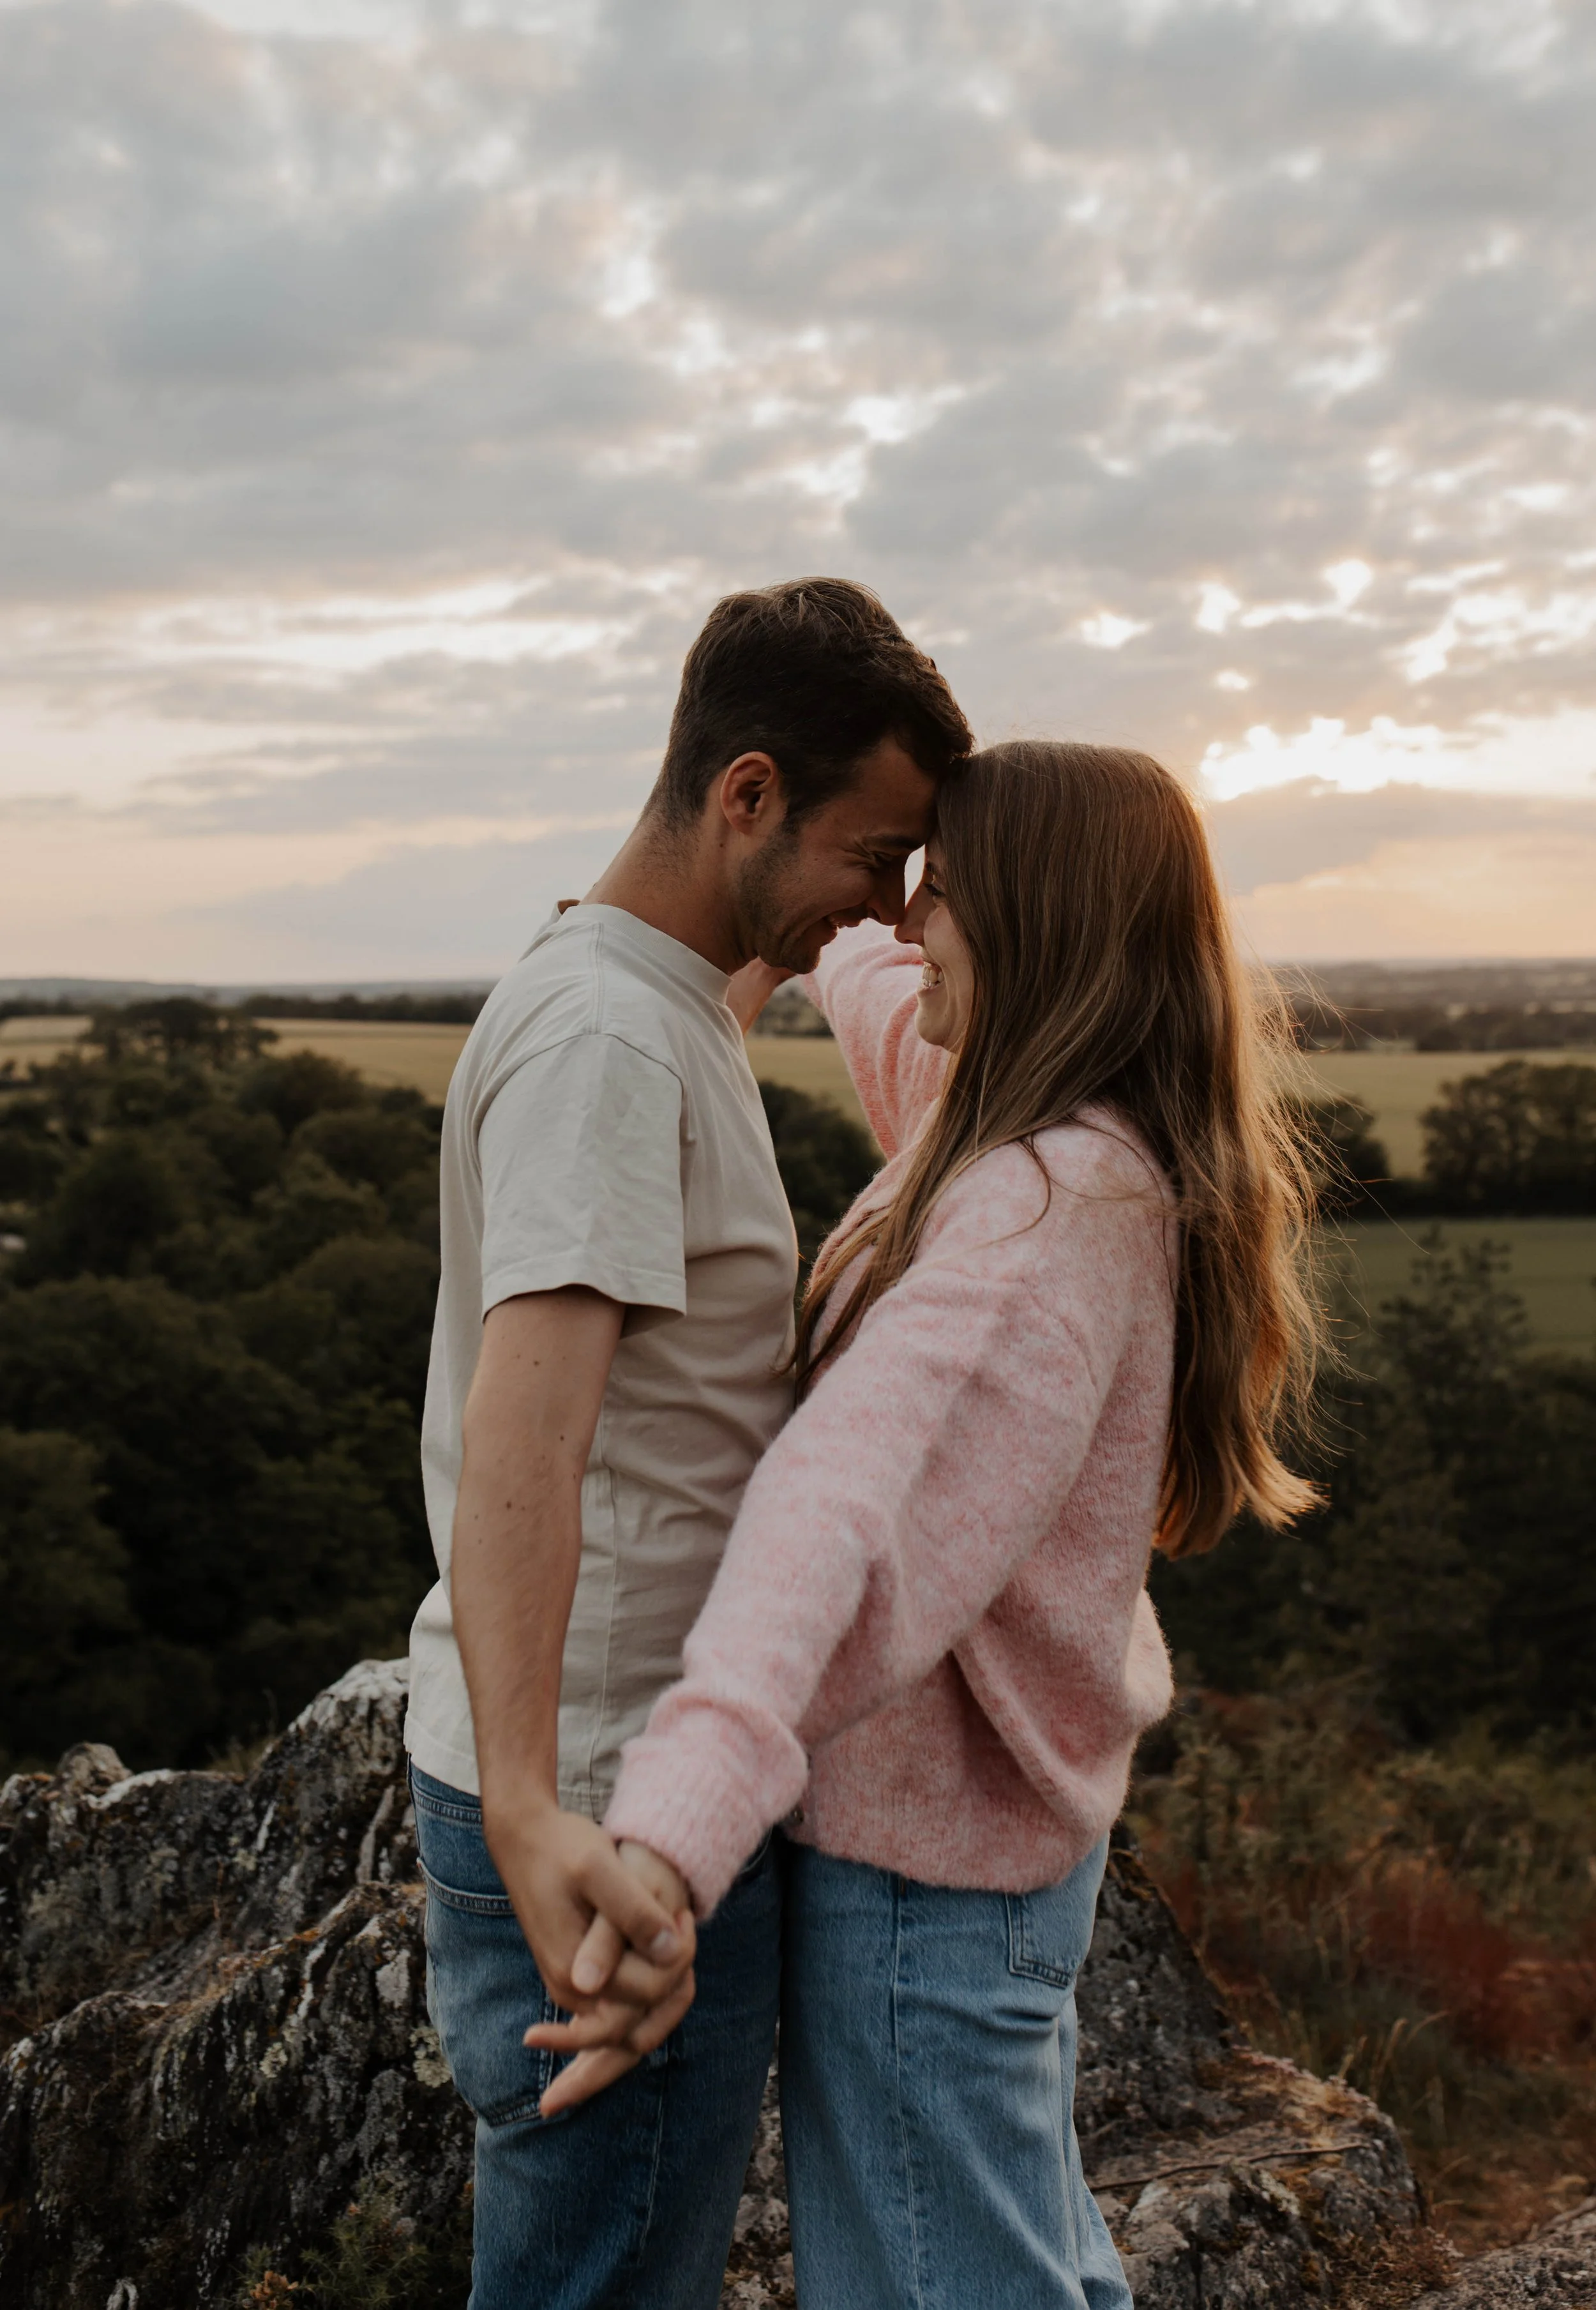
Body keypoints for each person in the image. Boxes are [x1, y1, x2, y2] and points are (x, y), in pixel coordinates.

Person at [543, 741, 1324, 2307]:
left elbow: (842, 1512)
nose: (912, 933)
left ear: (1029, 930)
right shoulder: (1027, 1128)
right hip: (984, 1862)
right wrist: (784, 927)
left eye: (942, 899)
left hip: (926, 1891)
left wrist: (673, 1837)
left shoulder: (1033, 1222)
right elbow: (892, 1015)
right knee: (1012, 2260)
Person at [403, 577, 973, 2309]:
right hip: (602, 1800)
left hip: (633, 1777)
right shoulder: (602, 1035)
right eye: (870, 861)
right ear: (746, 793)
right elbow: (530, 1421)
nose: (879, 914)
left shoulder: (656, 1001)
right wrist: (525, 1805)